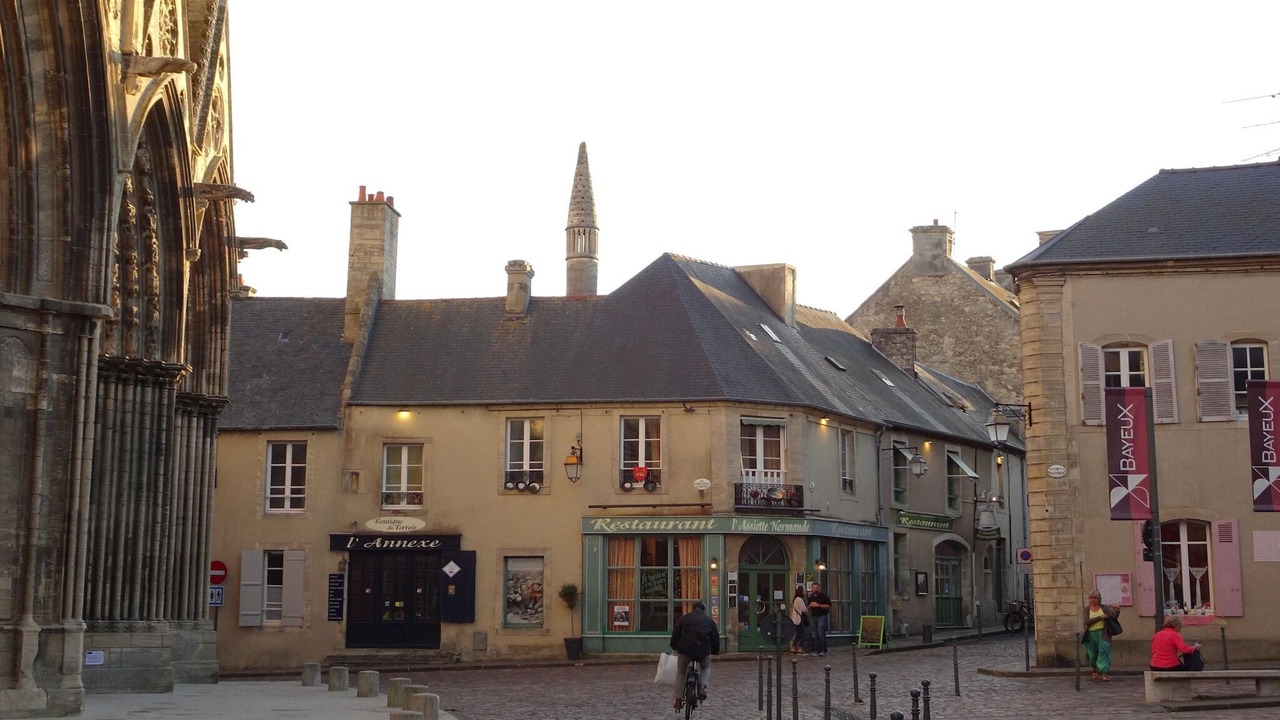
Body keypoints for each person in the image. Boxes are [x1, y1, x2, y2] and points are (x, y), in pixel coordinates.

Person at [670, 601, 720, 711]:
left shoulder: (684, 618)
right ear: (703, 610)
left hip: (685, 649)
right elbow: (715, 638)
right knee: (706, 667)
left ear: (692, 609)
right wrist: (715, 651)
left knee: (681, 671)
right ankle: (701, 687)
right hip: (703, 650)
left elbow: (675, 634)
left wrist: (674, 646)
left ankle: (678, 700)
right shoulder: (709, 621)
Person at [1081, 589, 1120, 681]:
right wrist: (1099, 617)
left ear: (1099, 599)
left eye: (1095, 598)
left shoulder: (1104, 608)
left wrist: (1117, 609)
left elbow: (1113, 617)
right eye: (1091, 598)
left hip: (1103, 633)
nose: (1093, 600)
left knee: (1104, 652)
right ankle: (1094, 670)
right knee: (1092, 654)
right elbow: (1087, 621)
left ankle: (1104, 673)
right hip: (1090, 634)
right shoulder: (1086, 609)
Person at [807, 581, 832, 657]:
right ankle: (816, 650)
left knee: (821, 633)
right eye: (814, 588)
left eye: (816, 588)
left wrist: (819, 605)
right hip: (813, 616)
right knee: (815, 634)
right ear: (812, 589)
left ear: (819, 588)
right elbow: (807, 608)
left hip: (822, 616)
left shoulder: (824, 596)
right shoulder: (810, 597)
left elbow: (829, 606)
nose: (815, 589)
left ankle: (823, 650)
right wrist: (810, 606)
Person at [789, 587, 809, 654]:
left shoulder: (796, 599)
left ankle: (793, 647)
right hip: (798, 619)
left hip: (795, 618)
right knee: (803, 633)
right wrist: (809, 606)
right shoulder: (799, 599)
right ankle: (800, 647)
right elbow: (804, 609)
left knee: (798, 633)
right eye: (804, 590)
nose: (805, 591)